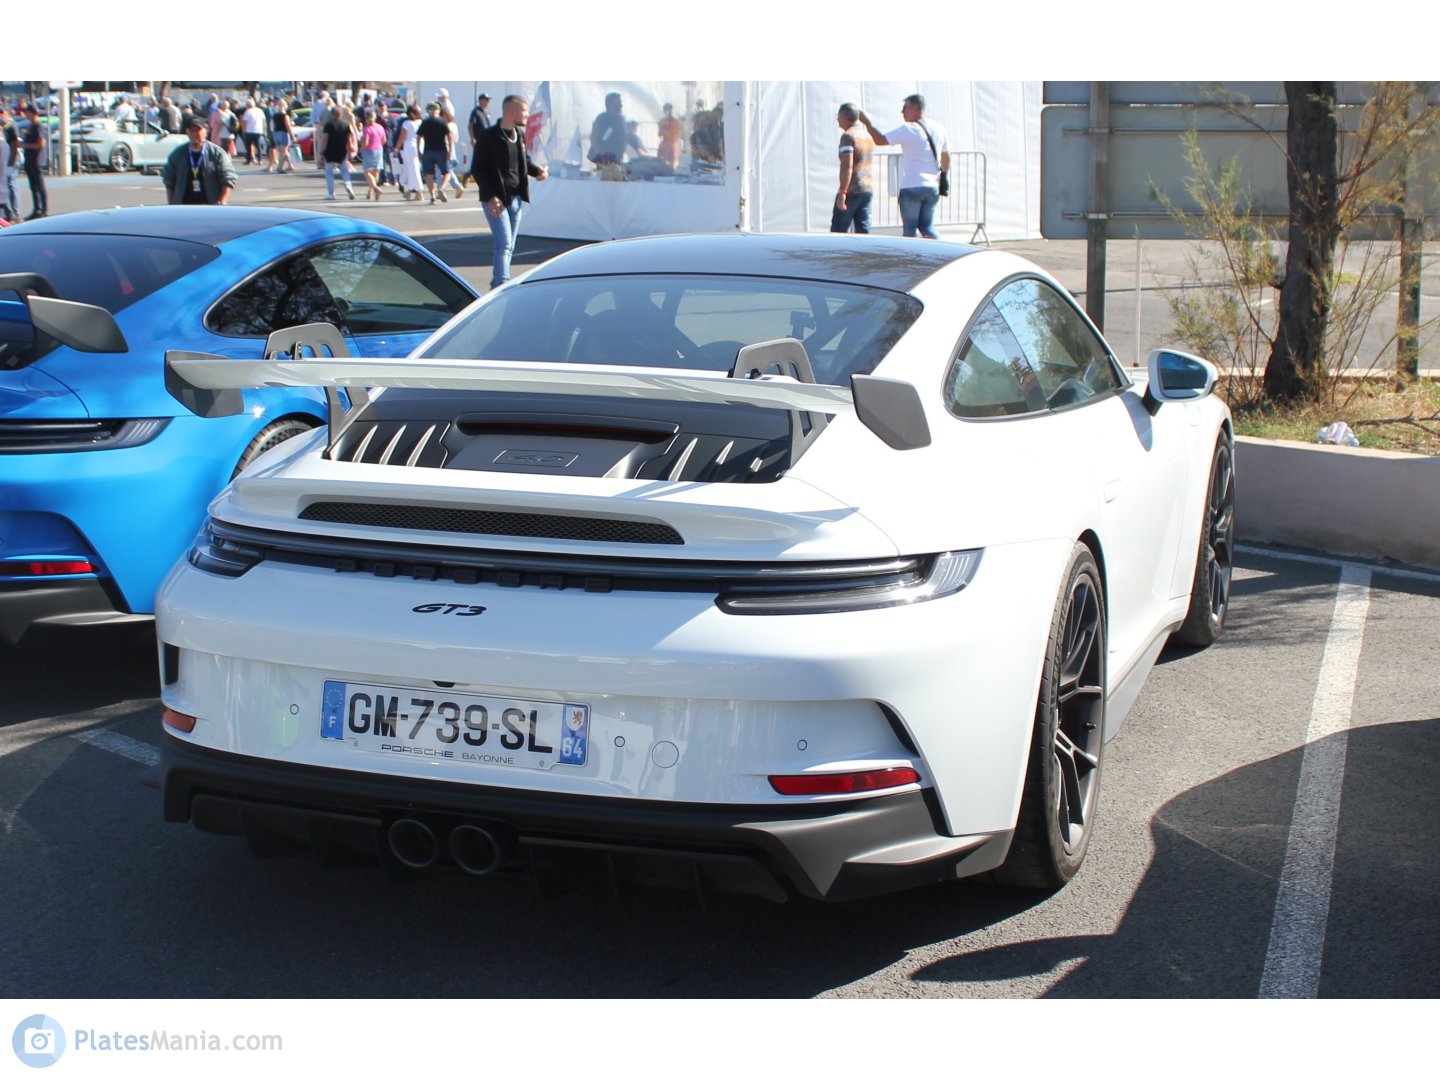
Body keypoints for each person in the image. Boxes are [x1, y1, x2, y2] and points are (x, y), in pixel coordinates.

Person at [472, 94, 548, 289]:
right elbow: (477, 169)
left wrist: (537, 171)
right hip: (496, 200)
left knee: (509, 246)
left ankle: (497, 283)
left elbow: (524, 161)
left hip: (516, 199)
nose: (527, 115)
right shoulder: (489, 136)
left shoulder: (519, 135)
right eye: (524, 111)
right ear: (510, 111)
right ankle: (501, 284)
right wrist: (491, 196)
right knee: (504, 244)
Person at [857, 94, 950, 239]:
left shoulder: (909, 129)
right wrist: (944, 176)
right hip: (933, 186)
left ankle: (910, 254)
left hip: (912, 185)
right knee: (927, 227)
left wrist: (867, 123)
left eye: (905, 107)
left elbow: (880, 140)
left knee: (909, 230)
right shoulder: (939, 128)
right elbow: (946, 157)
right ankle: (943, 249)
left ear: (915, 108)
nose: (902, 111)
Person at [161, 114, 237, 205]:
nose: (194, 134)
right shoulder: (178, 154)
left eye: (198, 130)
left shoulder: (217, 153)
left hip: (210, 205)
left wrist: (222, 201)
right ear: (187, 132)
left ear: (206, 130)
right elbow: (168, 180)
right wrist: (171, 205)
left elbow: (229, 178)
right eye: (191, 131)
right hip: (183, 206)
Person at [831, 102, 875, 234]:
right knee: (863, 230)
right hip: (867, 188)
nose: (837, 119)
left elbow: (847, 165)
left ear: (845, 116)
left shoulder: (848, 136)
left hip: (852, 189)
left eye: (838, 115)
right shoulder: (866, 135)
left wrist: (842, 192)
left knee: (839, 230)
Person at [317, 105, 357, 200]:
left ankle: (331, 193)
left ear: (332, 114)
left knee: (329, 172)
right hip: (342, 150)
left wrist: (321, 151)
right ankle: (348, 185)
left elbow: (324, 139)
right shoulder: (346, 124)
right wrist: (350, 152)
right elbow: (349, 140)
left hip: (330, 151)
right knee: (345, 170)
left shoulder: (328, 125)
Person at [416, 102, 451, 203]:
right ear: (438, 110)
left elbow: (419, 136)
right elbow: (449, 135)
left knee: (429, 174)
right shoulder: (442, 121)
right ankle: (442, 188)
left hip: (428, 150)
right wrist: (451, 149)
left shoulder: (425, 122)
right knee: (446, 172)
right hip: (441, 150)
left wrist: (418, 150)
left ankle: (432, 197)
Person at [19, 103, 47, 220]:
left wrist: (25, 145)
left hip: (36, 160)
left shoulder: (38, 126)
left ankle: (43, 210)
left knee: (39, 186)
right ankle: (36, 209)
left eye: (27, 112)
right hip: (30, 160)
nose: (26, 114)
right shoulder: (31, 125)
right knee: (33, 186)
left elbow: (41, 144)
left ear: (33, 113)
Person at [588, 92, 629, 167]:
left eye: (620, 103)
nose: (621, 105)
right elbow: (594, 138)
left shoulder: (620, 119)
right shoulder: (602, 118)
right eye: (617, 103)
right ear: (608, 104)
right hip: (604, 160)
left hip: (616, 160)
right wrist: (601, 156)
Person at [395, 104, 423, 200]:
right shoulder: (419, 123)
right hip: (418, 147)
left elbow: (402, 137)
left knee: (413, 170)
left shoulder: (407, 123)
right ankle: (410, 190)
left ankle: (419, 191)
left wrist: (397, 147)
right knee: (411, 169)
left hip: (409, 147)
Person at [464, 93, 491, 189]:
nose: (488, 102)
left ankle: (469, 174)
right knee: (479, 161)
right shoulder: (476, 112)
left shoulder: (486, 113)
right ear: (481, 101)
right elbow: (470, 126)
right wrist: (472, 138)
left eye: (488, 100)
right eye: (486, 100)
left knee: (484, 161)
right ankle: (469, 175)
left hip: (487, 140)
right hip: (479, 140)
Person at [359, 109, 385, 199]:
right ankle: (371, 191)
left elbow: (365, 142)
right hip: (379, 149)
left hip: (369, 151)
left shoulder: (367, 129)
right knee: (376, 172)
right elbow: (383, 139)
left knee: (367, 171)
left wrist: (362, 148)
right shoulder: (380, 127)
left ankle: (375, 188)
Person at [0, 103, 19, 222]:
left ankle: (15, 213)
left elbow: (15, 144)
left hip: (10, 159)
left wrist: (13, 161)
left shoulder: (11, 126)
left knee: (11, 184)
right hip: (2, 196)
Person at [269, 99, 295, 172]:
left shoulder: (274, 115)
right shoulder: (285, 116)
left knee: (283, 151)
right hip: (283, 133)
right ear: (285, 106)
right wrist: (292, 135)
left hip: (276, 133)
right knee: (283, 152)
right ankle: (279, 168)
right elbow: (288, 126)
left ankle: (290, 165)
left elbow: (272, 125)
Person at [241, 100, 266, 165]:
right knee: (258, 146)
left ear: (248, 105)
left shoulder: (247, 111)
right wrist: (264, 130)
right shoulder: (260, 111)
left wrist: (244, 131)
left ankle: (249, 160)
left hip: (249, 131)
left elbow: (245, 122)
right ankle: (260, 160)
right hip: (259, 130)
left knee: (248, 146)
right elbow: (263, 120)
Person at [657, 102, 681, 169]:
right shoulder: (676, 121)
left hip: (671, 143)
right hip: (671, 143)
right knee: (668, 162)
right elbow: (660, 133)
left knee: (670, 162)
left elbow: (660, 133)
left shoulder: (664, 121)